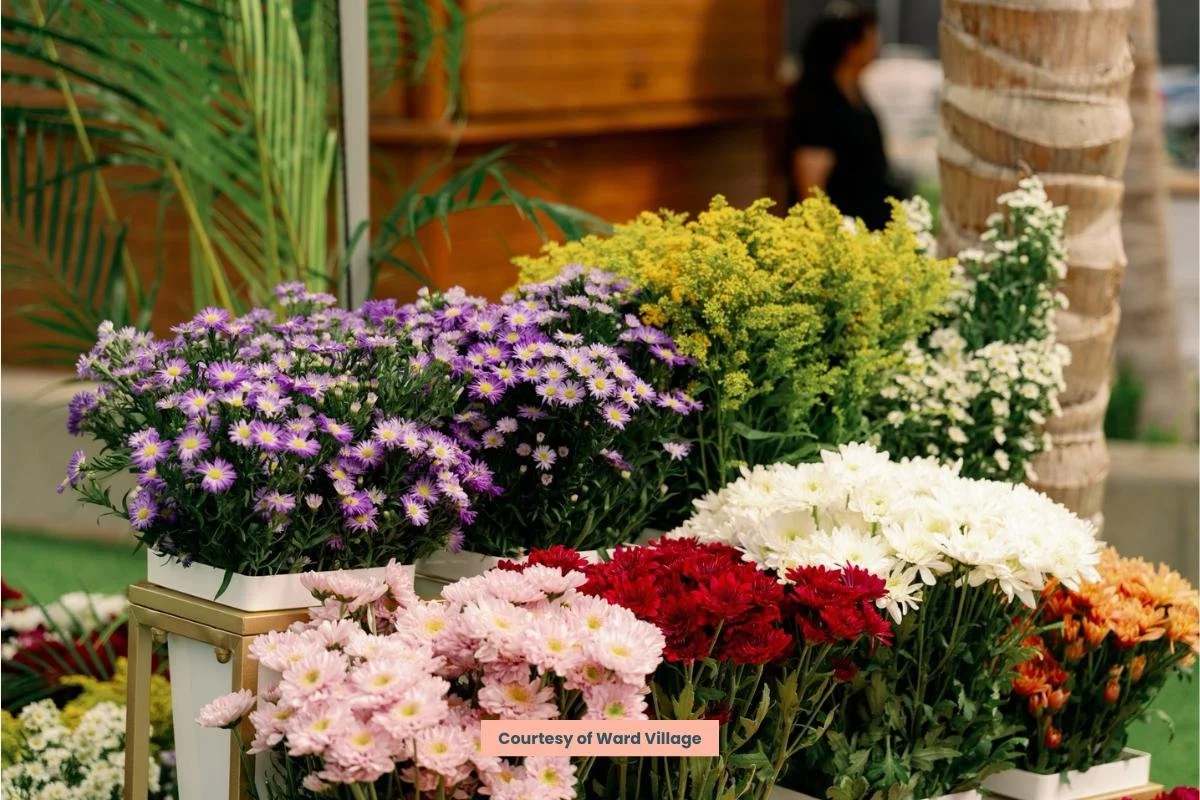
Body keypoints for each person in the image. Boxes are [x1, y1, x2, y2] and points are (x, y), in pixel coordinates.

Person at [787, 2, 904, 229]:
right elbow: (811, 182)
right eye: (870, 38)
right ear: (851, 48)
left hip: (871, 225)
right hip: (843, 231)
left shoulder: (856, 94)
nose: (877, 44)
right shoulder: (821, 104)